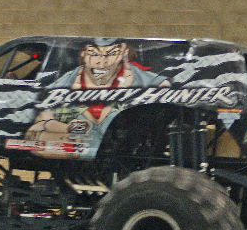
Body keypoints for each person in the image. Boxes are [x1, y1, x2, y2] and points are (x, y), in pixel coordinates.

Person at [25, 38, 169, 157]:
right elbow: (39, 123)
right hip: (81, 156)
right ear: (83, 54)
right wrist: (65, 128)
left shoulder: (148, 82)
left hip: (125, 154)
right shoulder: (65, 82)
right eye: (94, 53)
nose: (102, 61)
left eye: (112, 53)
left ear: (124, 53)